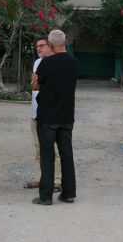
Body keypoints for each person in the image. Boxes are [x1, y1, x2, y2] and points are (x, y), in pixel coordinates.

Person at [31, 30, 79, 205]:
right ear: (64, 42)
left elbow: (36, 86)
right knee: (66, 154)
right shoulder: (74, 63)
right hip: (66, 116)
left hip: (47, 116)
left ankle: (45, 196)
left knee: (47, 155)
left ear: (50, 44)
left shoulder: (46, 63)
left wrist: (34, 79)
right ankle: (68, 193)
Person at [24, 37, 62, 192]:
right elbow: (34, 87)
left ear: (50, 46)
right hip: (36, 112)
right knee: (38, 147)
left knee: (55, 149)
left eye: (42, 45)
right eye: (37, 46)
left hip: (52, 113)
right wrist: (33, 81)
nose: (38, 49)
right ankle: (39, 178)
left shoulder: (57, 62)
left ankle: (57, 180)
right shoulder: (37, 63)